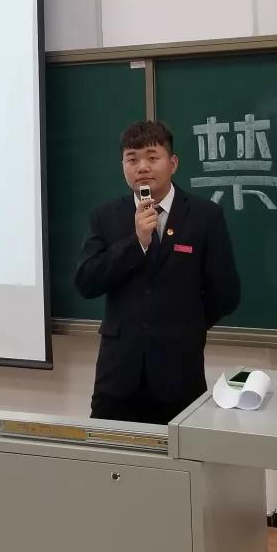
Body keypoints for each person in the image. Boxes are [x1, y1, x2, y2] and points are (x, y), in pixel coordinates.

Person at [75, 120, 240, 424]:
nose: (142, 167)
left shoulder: (204, 216)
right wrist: (136, 242)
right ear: (123, 166)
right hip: (117, 378)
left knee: (179, 453)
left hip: (179, 374)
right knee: (110, 452)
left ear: (172, 163)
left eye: (152, 158)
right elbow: (86, 281)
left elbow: (225, 294)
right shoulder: (105, 216)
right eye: (132, 159)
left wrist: (186, 325)